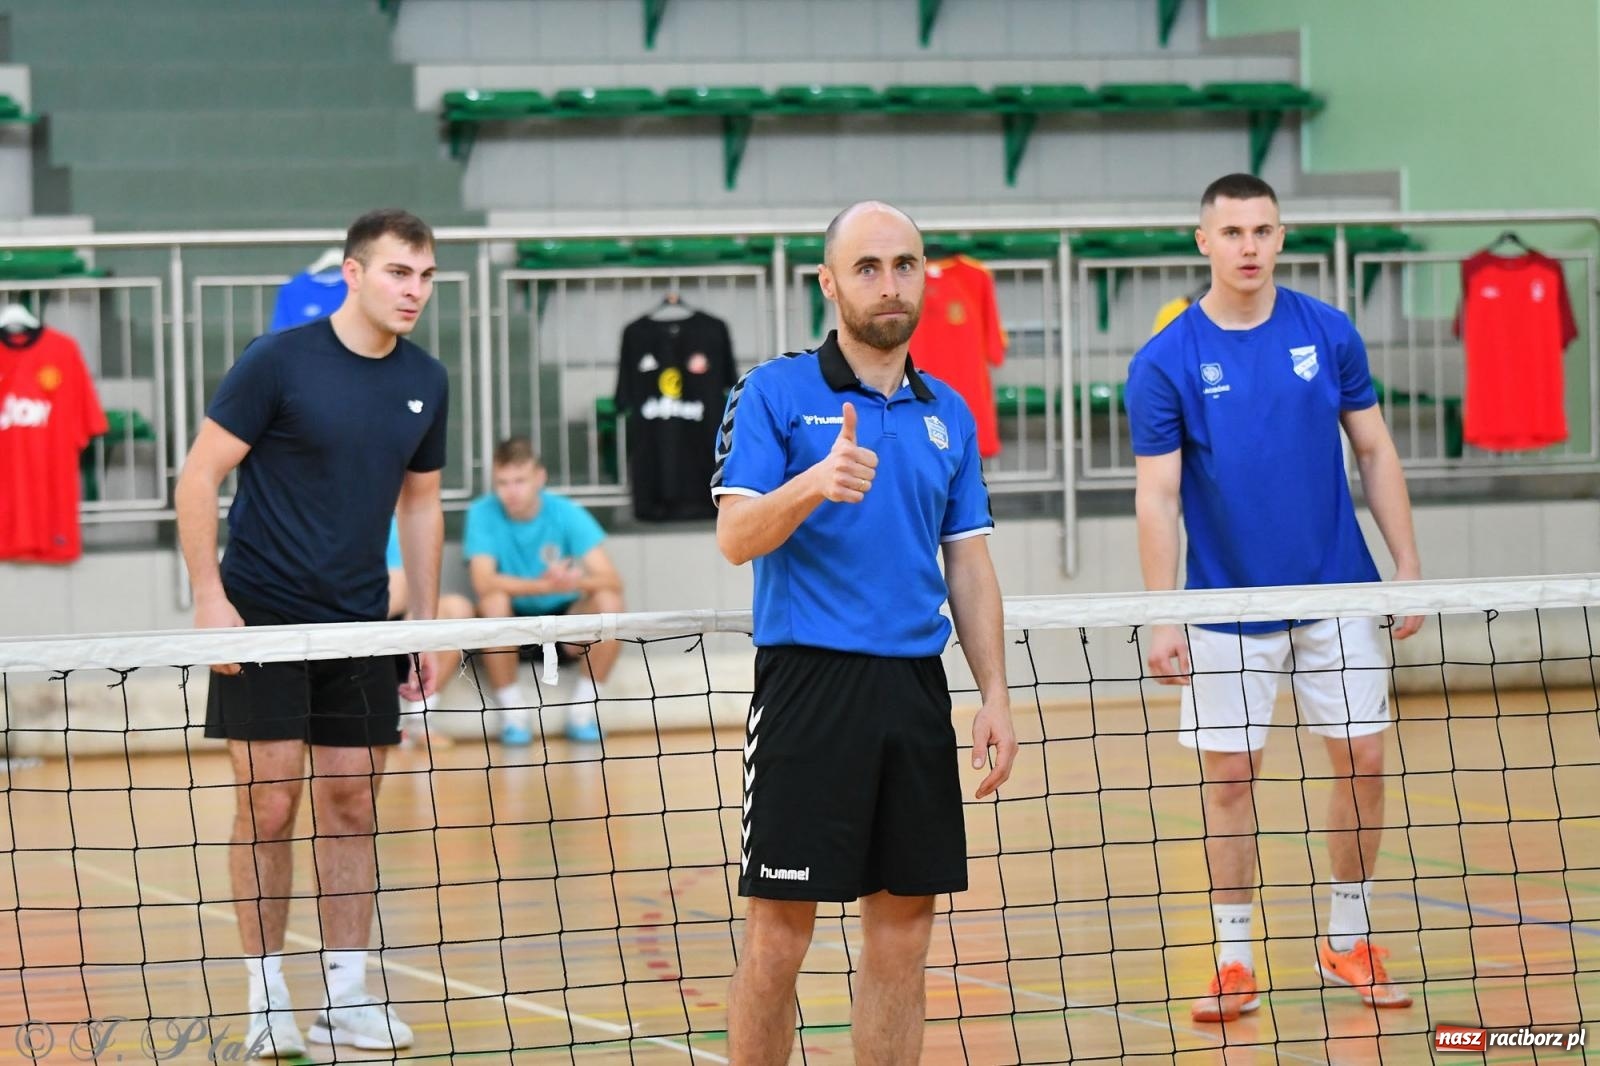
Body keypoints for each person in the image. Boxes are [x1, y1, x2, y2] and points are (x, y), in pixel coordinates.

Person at [712, 200, 1017, 1064]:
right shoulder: (773, 393)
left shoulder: (947, 412)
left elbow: (968, 565)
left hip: (915, 692)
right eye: (868, 267)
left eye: (906, 265)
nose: (890, 284)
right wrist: (816, 482)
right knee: (778, 940)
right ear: (829, 283)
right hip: (809, 689)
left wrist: (994, 694)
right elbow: (736, 539)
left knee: (904, 939)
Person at [1125, 173, 1423, 1024]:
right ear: (1204, 242)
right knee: (1230, 779)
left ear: (1281, 237)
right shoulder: (1166, 360)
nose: (1249, 246)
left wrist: (1408, 565)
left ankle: (1348, 938)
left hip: (1338, 591)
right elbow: (1157, 497)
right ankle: (1230, 958)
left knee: (1365, 762)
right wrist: (1162, 612)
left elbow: (1375, 453)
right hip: (1225, 606)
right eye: (1232, 232)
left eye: (1263, 230)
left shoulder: (1327, 333)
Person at [174, 208, 447, 1058]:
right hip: (261, 621)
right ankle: (264, 999)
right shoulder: (276, 363)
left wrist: (428, 624)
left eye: (428, 277)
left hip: (362, 627)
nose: (416, 291)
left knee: (350, 803)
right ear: (355, 275)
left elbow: (423, 500)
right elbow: (198, 473)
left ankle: (346, 992)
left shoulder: (427, 380)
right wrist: (210, 597)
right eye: (401, 273)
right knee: (270, 803)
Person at [466, 436, 625, 744]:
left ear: (539, 478)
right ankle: (514, 716)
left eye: (519, 481)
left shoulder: (566, 511)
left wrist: (573, 582)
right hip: (512, 627)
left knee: (609, 601)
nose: (511, 491)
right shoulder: (482, 513)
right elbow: (483, 582)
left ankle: (582, 712)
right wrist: (542, 585)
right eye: (502, 482)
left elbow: (611, 580)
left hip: (563, 628)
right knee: (493, 601)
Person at [385, 517, 475, 750]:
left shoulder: (389, 523)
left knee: (458, 608)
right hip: (342, 633)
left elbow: (399, 588)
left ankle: (417, 718)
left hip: (390, 628)